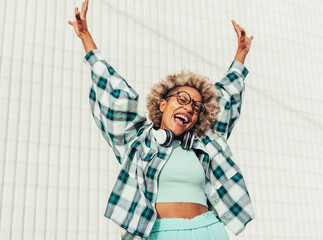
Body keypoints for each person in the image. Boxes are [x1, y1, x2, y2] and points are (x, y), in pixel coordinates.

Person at [69, 0, 255, 239]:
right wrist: (86, 38)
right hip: (157, 232)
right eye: (183, 99)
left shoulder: (205, 143)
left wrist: (241, 54)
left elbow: (226, 96)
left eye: (196, 107)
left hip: (208, 230)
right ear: (163, 103)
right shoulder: (138, 139)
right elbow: (114, 94)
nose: (189, 108)